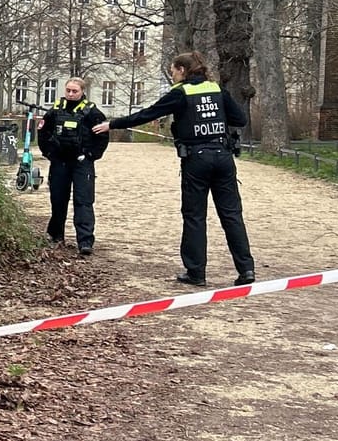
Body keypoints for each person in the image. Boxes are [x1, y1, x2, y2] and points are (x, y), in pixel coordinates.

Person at [94, 50, 255, 286]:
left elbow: (148, 113)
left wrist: (113, 124)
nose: (173, 76)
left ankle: (196, 272)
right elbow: (240, 119)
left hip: (196, 160)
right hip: (223, 156)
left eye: (173, 72)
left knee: (194, 217)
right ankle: (246, 270)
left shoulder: (180, 93)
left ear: (182, 70)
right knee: (232, 215)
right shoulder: (216, 90)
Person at [36, 77, 109, 254]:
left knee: (83, 201)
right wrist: (49, 153)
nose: (70, 94)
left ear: (82, 92)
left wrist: (91, 155)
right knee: (58, 199)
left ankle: (85, 242)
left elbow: (102, 137)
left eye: (74, 91)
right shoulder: (55, 110)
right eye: (68, 90)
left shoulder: (93, 113)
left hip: (82, 163)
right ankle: (55, 235)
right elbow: (43, 131)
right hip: (59, 161)